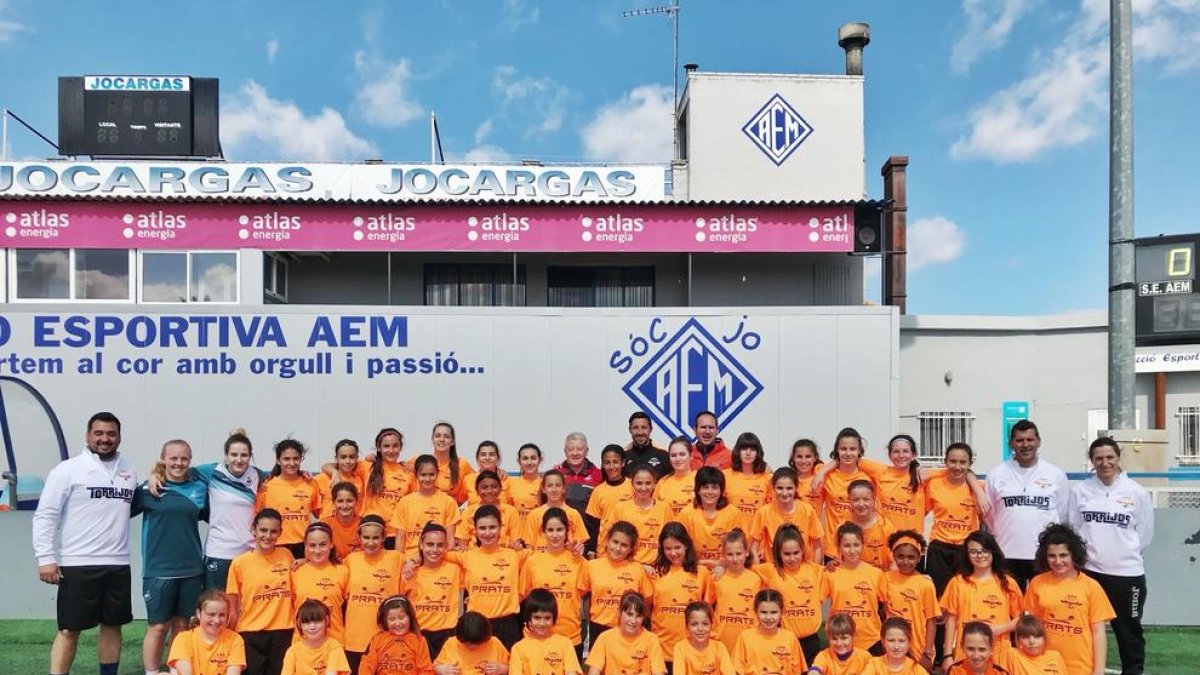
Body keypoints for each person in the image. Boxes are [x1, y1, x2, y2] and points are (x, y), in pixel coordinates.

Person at [33, 411, 139, 675]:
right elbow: (46, 515)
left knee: (113, 626)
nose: (105, 439)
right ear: (88, 435)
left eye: (111, 434)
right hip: (78, 564)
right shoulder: (67, 470)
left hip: (117, 563)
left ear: (119, 436)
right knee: (69, 630)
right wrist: (45, 558)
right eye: (99, 433)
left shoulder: (129, 469)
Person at [1070, 436, 1154, 675]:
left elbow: (1144, 535)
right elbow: (1073, 529)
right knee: (1083, 628)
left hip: (1127, 575)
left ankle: (1133, 671)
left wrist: (1125, 558)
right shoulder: (1080, 491)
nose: (1105, 463)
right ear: (1091, 461)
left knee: (1128, 630)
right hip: (1090, 572)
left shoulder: (1137, 492)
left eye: (1110, 457)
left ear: (1118, 459)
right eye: (1099, 458)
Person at [136, 439, 208, 675]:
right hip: (159, 571)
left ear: (190, 460)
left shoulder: (199, 488)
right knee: (157, 627)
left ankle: (176, 669)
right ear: (163, 460)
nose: (179, 463)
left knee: (182, 624)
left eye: (184, 458)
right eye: (173, 458)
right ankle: (152, 671)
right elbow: (118, 513)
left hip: (191, 569)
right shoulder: (149, 489)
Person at [984, 419, 1069, 590]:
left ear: (1038, 442)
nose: (1025, 445)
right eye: (1019, 440)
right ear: (1011, 443)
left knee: (1042, 608)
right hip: (1006, 553)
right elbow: (990, 514)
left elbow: (1063, 513)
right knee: (1010, 609)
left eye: (1030, 440)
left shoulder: (1055, 474)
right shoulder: (996, 474)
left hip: (1043, 555)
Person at [1023, 523, 1115, 675]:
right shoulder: (1037, 583)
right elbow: (1031, 627)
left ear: (1074, 555)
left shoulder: (1091, 587)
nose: (1058, 561)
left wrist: (1098, 671)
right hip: (1045, 665)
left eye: (1063, 555)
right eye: (1052, 556)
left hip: (1080, 668)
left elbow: (1098, 632)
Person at [939, 531, 1022, 672]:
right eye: (974, 552)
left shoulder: (1008, 583)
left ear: (993, 552)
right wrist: (947, 655)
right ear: (967, 555)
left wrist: (1000, 629)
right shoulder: (957, 582)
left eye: (984, 551)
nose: (980, 556)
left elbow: (1020, 619)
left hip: (999, 653)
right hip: (966, 654)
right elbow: (951, 620)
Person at [226, 508, 295, 675]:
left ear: (280, 533)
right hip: (250, 632)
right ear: (253, 530)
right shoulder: (239, 563)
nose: (268, 536)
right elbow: (232, 600)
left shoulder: (286, 555)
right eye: (263, 530)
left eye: (273, 531)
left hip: (282, 631)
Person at [519, 508, 590, 663]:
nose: (555, 535)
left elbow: (584, 594)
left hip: (570, 636)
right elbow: (522, 596)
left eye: (559, 529)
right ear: (543, 532)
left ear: (567, 531)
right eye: (550, 530)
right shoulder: (533, 561)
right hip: (537, 637)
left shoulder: (579, 562)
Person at [751, 524, 828, 666]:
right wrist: (721, 565)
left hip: (810, 642)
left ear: (803, 550)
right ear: (778, 553)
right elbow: (740, 567)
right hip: (783, 641)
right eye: (787, 554)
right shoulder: (770, 571)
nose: (792, 558)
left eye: (796, 553)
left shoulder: (815, 571)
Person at [343, 515, 405, 672]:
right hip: (355, 638)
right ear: (359, 537)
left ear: (384, 537)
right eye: (366, 537)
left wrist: (414, 560)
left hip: (386, 637)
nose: (370, 543)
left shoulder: (396, 559)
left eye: (376, 537)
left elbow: (422, 559)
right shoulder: (350, 561)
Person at [650, 523, 715, 669]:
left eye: (677, 547)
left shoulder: (702, 573)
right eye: (668, 548)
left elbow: (708, 611)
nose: (673, 553)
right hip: (661, 652)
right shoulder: (655, 573)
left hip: (692, 652)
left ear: (686, 545)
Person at [583, 521, 653, 649]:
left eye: (624, 545)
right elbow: (585, 597)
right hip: (598, 628)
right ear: (608, 540)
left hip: (628, 629)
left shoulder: (637, 569)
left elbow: (646, 601)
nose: (618, 548)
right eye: (615, 542)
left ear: (631, 548)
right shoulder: (592, 566)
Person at [403, 523, 462, 658]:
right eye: (430, 544)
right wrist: (412, 560)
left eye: (440, 545)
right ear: (421, 545)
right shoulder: (410, 572)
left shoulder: (456, 570)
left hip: (448, 635)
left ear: (446, 546)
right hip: (419, 635)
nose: (435, 550)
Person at [827, 522, 886, 656]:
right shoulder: (830, 573)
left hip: (871, 641)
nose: (852, 550)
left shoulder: (876, 574)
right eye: (847, 545)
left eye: (856, 545)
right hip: (840, 640)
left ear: (863, 545)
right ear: (839, 547)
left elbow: (886, 607)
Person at [882, 531, 938, 671]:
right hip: (894, 644)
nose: (905, 561)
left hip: (918, 647)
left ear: (919, 558)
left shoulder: (925, 584)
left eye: (911, 557)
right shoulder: (885, 579)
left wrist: (928, 652)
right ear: (893, 556)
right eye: (900, 556)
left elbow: (931, 621)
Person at [257, 439, 321, 559]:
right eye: (286, 459)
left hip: (303, 546)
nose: (291, 463)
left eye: (295, 458)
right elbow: (257, 517)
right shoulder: (267, 487)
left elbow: (318, 513)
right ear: (278, 460)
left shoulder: (310, 484)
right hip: (276, 545)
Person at [391, 454, 461, 558]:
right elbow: (400, 542)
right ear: (416, 475)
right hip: (410, 561)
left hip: (438, 558)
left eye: (431, 474)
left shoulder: (448, 502)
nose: (427, 479)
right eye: (423, 475)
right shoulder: (404, 503)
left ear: (437, 474)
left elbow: (450, 542)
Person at [599, 464, 671, 564]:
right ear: (632, 484)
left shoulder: (665, 509)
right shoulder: (619, 508)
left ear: (654, 484)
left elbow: (671, 539)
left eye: (648, 483)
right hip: (625, 566)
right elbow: (605, 538)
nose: (643, 488)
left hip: (655, 568)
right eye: (639, 483)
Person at [750, 466, 822, 565]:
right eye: (780, 488)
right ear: (773, 487)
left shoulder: (808, 511)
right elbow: (754, 548)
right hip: (775, 572)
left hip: (803, 572)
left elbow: (817, 547)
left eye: (789, 488)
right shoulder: (763, 512)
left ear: (797, 488)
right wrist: (760, 572)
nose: (784, 493)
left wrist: (815, 573)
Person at [291, 522, 350, 644]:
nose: (317, 550)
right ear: (305, 546)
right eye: (312, 545)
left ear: (331, 544)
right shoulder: (295, 573)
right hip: (303, 644)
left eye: (323, 545)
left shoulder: (343, 571)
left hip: (334, 642)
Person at [585, 591, 667, 675]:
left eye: (638, 616)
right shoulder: (605, 638)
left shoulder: (651, 639)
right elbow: (594, 671)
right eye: (629, 614)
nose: (633, 621)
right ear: (619, 613)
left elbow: (659, 672)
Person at [165, 590, 247, 675]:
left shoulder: (235, 640)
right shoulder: (183, 639)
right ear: (199, 614)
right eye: (211, 614)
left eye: (222, 615)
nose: (216, 620)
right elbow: (186, 672)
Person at [677, 466, 743, 568]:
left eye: (714, 487)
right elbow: (679, 548)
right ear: (697, 490)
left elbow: (741, 549)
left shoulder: (734, 514)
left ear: (721, 491)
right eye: (705, 487)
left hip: (727, 568)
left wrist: (722, 565)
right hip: (695, 568)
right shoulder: (686, 514)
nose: (710, 492)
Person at [710, 529, 763, 652]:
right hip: (721, 643)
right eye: (730, 554)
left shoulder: (756, 578)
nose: (734, 559)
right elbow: (708, 607)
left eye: (738, 553)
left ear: (746, 552)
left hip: (749, 644)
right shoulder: (716, 578)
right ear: (724, 554)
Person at [509, 589, 584, 675]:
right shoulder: (518, 649)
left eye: (547, 618)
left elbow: (571, 672)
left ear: (554, 619)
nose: (542, 623)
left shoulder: (565, 644)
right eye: (537, 618)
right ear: (529, 619)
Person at [732, 589, 806, 674]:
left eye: (774, 612)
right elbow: (737, 670)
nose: (768, 617)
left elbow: (797, 671)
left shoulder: (790, 638)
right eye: (764, 612)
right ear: (755, 612)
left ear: (782, 612)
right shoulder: (745, 637)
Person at [358, 595, 434, 675]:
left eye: (401, 617)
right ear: (385, 621)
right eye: (392, 619)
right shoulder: (377, 640)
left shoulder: (419, 641)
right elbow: (366, 665)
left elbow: (426, 670)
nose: (397, 623)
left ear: (410, 617)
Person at [556, 432, 603, 554]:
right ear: (565, 451)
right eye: (571, 449)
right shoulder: (556, 474)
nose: (575, 453)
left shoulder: (599, 475)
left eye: (579, 449)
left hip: (589, 541)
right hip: (560, 541)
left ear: (586, 451)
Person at [525, 470, 589, 554]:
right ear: (543, 489)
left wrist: (576, 549)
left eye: (558, 485)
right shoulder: (534, 515)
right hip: (541, 564)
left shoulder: (573, 514)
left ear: (564, 489)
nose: (554, 489)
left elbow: (579, 545)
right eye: (550, 486)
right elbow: (529, 548)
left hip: (565, 564)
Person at [281, 599, 351, 675]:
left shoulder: (334, 647)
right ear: (299, 624)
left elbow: (332, 673)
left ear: (326, 620)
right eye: (307, 623)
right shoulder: (292, 651)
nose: (312, 627)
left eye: (317, 622)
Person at [457, 470, 522, 548]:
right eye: (484, 487)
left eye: (494, 487)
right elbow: (462, 544)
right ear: (477, 490)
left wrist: (514, 546)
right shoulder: (468, 512)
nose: (489, 491)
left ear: (500, 488)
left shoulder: (511, 511)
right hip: (474, 556)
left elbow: (515, 542)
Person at [433, 612, 510, 675]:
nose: (472, 647)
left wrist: (501, 669)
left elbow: (512, 667)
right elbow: (436, 666)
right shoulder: (450, 644)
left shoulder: (495, 643)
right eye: (467, 644)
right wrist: (442, 669)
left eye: (477, 644)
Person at [671, 601, 734, 675]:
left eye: (705, 624)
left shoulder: (719, 648)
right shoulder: (680, 648)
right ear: (687, 627)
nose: (700, 628)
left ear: (711, 625)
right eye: (694, 624)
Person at [846, 480, 896, 570]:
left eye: (866, 499)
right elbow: (839, 561)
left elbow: (894, 562)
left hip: (880, 579)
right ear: (848, 500)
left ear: (874, 500)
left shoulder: (886, 527)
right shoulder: (843, 528)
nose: (861, 504)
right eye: (855, 500)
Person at [722, 431, 773, 520]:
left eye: (753, 449)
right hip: (732, 531)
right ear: (738, 451)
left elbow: (772, 511)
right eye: (744, 449)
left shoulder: (768, 478)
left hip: (758, 531)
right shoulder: (725, 476)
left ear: (758, 453)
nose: (748, 453)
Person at [998, 615, 1068, 675]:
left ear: (1044, 638)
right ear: (1019, 640)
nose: (1032, 641)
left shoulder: (1055, 656)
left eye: (1037, 636)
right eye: (1025, 637)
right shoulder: (1012, 655)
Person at [424, 421, 474, 505]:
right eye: (437, 436)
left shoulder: (462, 464)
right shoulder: (421, 462)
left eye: (446, 436)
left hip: (450, 513)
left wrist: (497, 470)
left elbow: (480, 480)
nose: (442, 439)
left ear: (452, 441)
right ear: (432, 440)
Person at [586, 445, 633, 531]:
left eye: (615, 462)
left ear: (623, 463)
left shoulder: (633, 486)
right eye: (607, 462)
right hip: (604, 543)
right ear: (603, 465)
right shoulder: (598, 491)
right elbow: (593, 525)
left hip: (628, 541)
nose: (611, 466)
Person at [315, 440, 364, 519]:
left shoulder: (360, 480)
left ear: (357, 458)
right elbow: (314, 510)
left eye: (351, 457)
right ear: (336, 458)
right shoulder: (321, 479)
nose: (347, 461)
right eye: (343, 457)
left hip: (353, 528)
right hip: (328, 527)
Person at [864, 617, 930, 675]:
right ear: (883, 641)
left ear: (909, 642)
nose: (896, 646)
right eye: (891, 640)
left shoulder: (916, 669)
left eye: (901, 641)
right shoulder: (875, 664)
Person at [654, 436, 697, 517]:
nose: (678, 459)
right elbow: (655, 512)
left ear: (691, 456)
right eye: (673, 455)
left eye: (682, 454)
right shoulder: (662, 483)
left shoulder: (700, 479)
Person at [320, 482, 362, 560]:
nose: (345, 506)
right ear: (333, 502)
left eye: (349, 501)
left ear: (356, 501)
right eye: (340, 501)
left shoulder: (364, 524)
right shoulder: (325, 525)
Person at [625, 412, 671, 478]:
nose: (640, 432)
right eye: (635, 428)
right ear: (630, 430)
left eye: (644, 427)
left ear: (651, 429)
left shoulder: (664, 456)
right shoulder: (623, 457)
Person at [505, 443, 543, 519]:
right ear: (519, 461)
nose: (529, 462)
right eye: (525, 458)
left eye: (533, 458)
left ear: (540, 460)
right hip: (518, 530)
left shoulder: (546, 484)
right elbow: (506, 512)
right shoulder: (511, 483)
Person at [465, 440, 507, 507]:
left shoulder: (507, 480)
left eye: (492, 454)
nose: (487, 458)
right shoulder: (468, 479)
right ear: (477, 458)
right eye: (483, 454)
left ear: (498, 458)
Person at [788, 438, 824, 513]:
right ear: (793, 458)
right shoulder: (788, 479)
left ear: (815, 457)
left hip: (814, 524)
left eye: (808, 456)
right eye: (799, 457)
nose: (803, 461)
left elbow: (838, 461)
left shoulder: (821, 477)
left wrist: (822, 472)